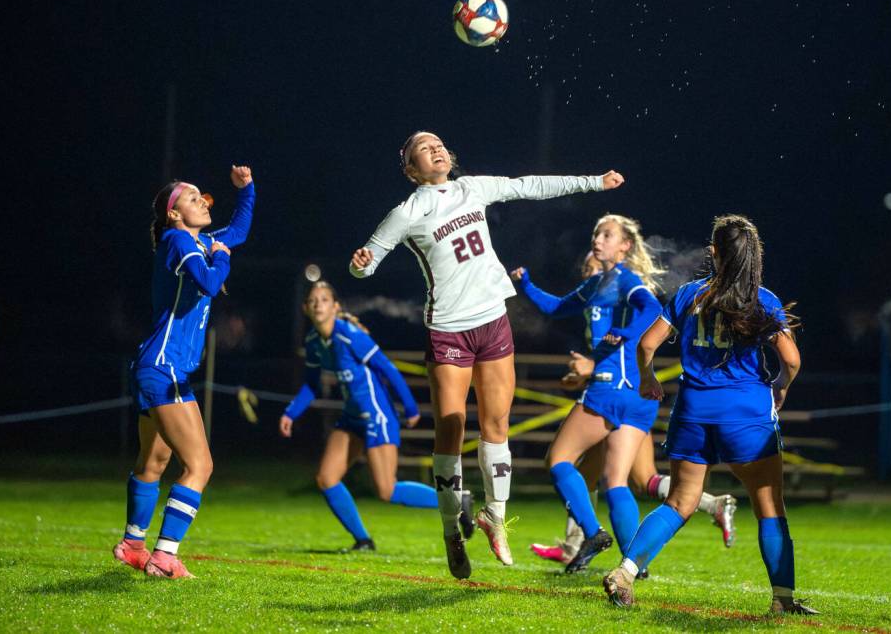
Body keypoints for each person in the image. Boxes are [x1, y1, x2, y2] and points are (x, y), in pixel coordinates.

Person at [349, 131, 624, 579]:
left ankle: (495, 517)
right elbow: (365, 262)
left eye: (438, 143)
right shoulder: (408, 211)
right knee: (451, 431)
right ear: (411, 168)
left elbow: (529, 185)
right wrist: (360, 263)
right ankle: (450, 532)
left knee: (497, 425)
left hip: (493, 320)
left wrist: (594, 181)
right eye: (424, 148)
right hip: (448, 329)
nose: (435, 149)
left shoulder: (471, 187)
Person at [603, 214, 818, 615]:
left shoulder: (687, 295)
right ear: (753, 255)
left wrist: (649, 378)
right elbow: (791, 359)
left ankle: (626, 571)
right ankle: (782, 599)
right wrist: (780, 387)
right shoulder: (762, 299)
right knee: (769, 505)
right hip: (746, 414)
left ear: (715, 253)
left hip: (694, 411)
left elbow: (647, 346)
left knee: (679, 502)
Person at [514, 248, 736, 567]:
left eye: (593, 265)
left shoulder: (622, 293)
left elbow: (633, 334)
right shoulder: (596, 295)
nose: (588, 270)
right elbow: (559, 309)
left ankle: (584, 542)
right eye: (586, 267)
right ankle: (627, 559)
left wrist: (597, 367)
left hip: (618, 390)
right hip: (631, 392)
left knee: (587, 471)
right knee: (631, 479)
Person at [113, 166, 255, 579]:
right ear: (174, 214)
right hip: (165, 369)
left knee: (153, 462)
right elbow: (211, 283)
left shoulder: (198, 241)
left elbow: (239, 231)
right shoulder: (179, 241)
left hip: (155, 366)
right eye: (193, 198)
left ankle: (133, 545)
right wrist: (223, 260)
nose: (202, 202)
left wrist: (246, 191)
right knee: (200, 466)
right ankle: (165, 556)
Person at [279, 281, 472, 550]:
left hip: (376, 415)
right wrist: (291, 412)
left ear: (335, 307)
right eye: (313, 300)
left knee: (386, 490)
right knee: (326, 479)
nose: (318, 304)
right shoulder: (314, 342)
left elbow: (388, 368)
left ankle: (457, 499)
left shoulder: (350, 334)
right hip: (352, 417)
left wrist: (410, 407)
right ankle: (363, 541)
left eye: (324, 299)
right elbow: (312, 384)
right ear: (305, 308)